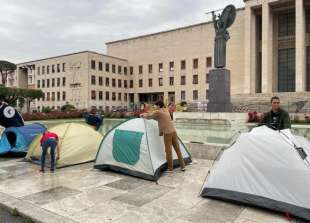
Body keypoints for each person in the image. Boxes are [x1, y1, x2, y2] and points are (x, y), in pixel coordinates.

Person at [140, 101, 186, 172]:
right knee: (178, 150)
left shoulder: (158, 112)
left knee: (168, 151)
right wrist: (148, 114)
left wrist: (142, 115)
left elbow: (149, 116)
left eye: (155, 105)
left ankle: (170, 169)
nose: (154, 107)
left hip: (167, 133)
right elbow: (157, 117)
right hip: (173, 131)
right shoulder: (165, 110)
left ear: (158, 106)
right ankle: (183, 166)